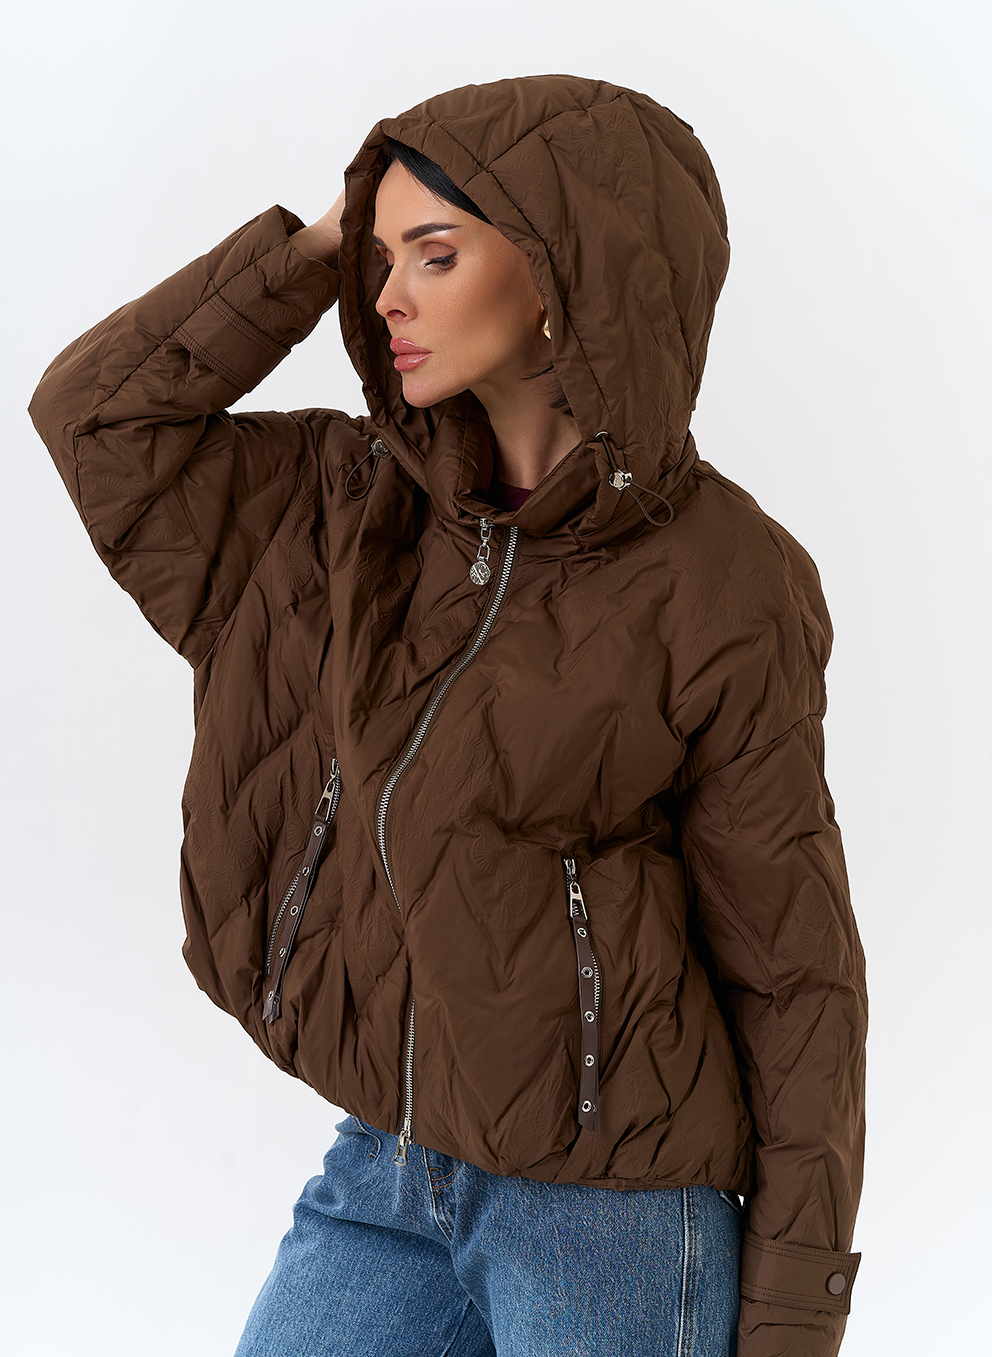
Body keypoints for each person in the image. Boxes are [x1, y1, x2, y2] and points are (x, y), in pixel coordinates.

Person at [29, 75, 867, 1357]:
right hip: (389, 1164)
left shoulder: (725, 580)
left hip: (614, 1209)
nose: (384, 298)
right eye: (376, 260)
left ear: (557, 276)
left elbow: (791, 959)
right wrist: (313, 245)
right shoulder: (334, 502)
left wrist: (797, 1298)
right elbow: (95, 419)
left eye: (434, 253)